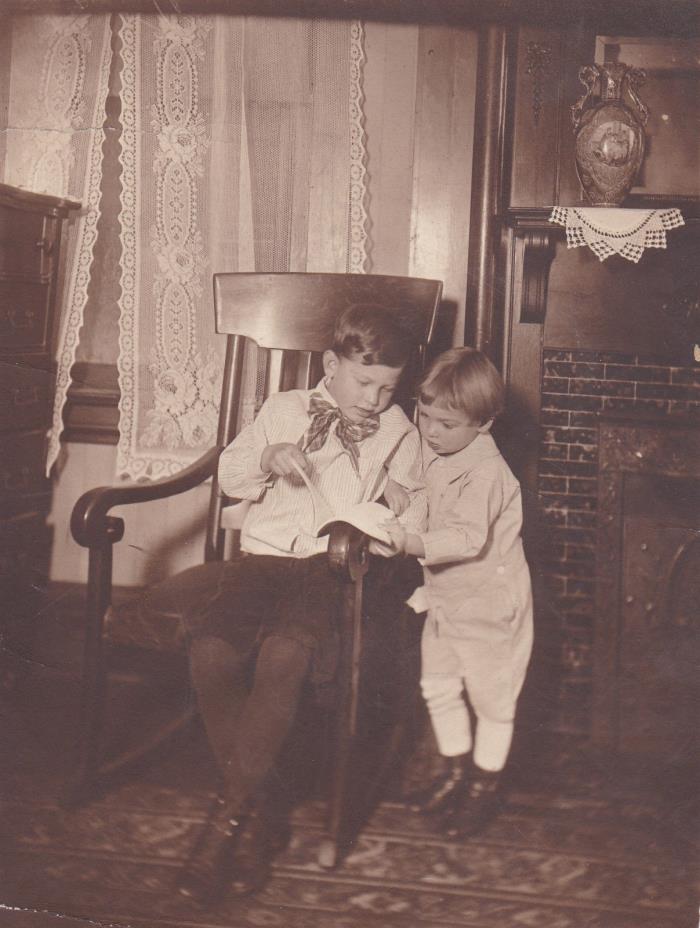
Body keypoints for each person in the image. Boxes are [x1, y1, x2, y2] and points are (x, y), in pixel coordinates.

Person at [141, 304, 427, 904]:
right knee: (213, 650)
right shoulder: (283, 410)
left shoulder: (400, 430)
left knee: (284, 656)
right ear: (331, 364)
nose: (374, 400)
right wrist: (267, 459)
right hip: (262, 565)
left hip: (332, 575)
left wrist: (400, 501)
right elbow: (233, 474)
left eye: (387, 388)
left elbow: (417, 514)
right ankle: (261, 811)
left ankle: (223, 827)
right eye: (363, 382)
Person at [382, 347, 533, 838]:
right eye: (424, 416)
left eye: (445, 424)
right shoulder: (440, 445)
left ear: (483, 424)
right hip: (446, 599)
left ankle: (483, 788)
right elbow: (427, 485)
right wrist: (404, 493)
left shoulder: (489, 472)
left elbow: (466, 537)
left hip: (489, 608)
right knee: (439, 685)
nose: (429, 431)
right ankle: (453, 771)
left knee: (492, 702)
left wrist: (411, 541)